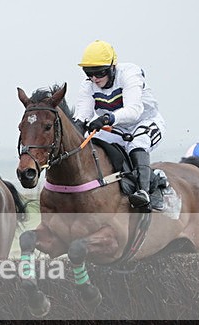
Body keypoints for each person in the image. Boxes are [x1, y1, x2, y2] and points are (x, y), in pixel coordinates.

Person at [73, 40, 166, 211]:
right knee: (92, 145)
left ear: (111, 67)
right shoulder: (88, 86)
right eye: (89, 73)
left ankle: (144, 192)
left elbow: (134, 110)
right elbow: (82, 116)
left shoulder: (130, 74)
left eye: (99, 73)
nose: (94, 78)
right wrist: (77, 127)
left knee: (137, 144)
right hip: (115, 128)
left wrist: (107, 119)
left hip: (145, 122)